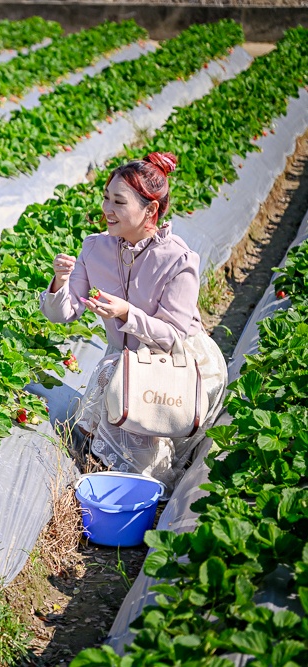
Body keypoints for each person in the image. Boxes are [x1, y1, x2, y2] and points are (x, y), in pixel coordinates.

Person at [39, 152, 226, 491]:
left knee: (151, 462)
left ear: (150, 211)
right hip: (123, 364)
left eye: (119, 201)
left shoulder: (179, 260)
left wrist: (127, 313)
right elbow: (63, 314)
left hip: (177, 364)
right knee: (111, 408)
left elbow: (173, 336)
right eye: (106, 197)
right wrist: (59, 281)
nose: (107, 209)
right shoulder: (95, 248)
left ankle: (150, 494)